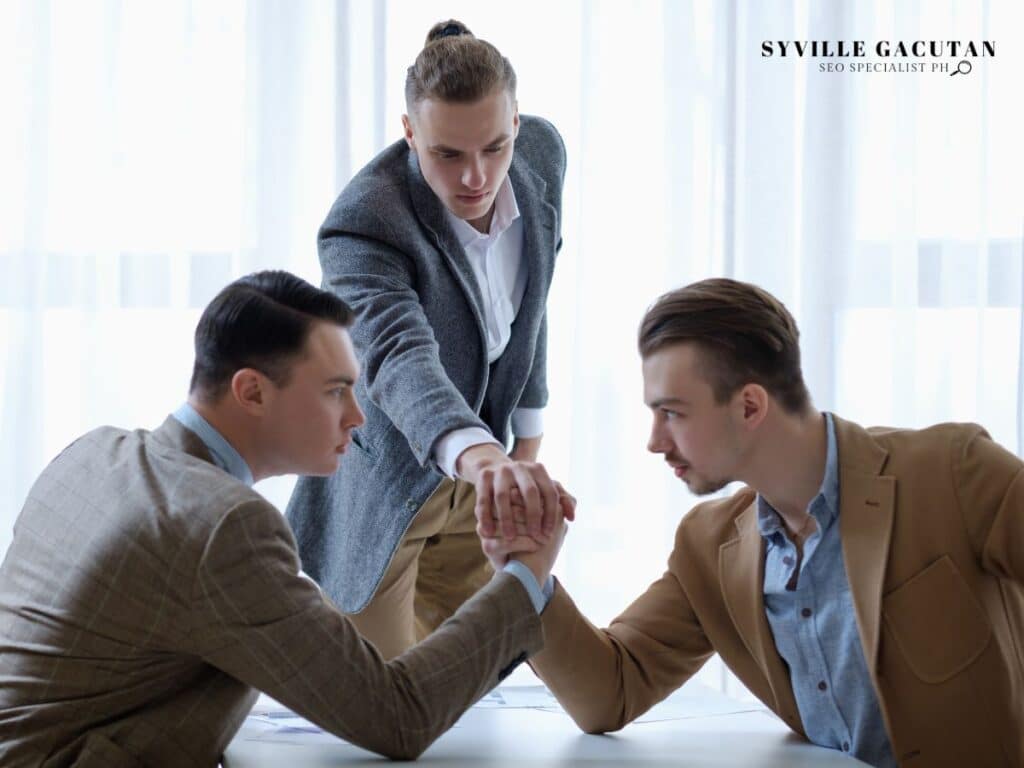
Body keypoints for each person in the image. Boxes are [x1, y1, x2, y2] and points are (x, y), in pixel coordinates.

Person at [0, 271, 568, 767]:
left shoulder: (92, 453)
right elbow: (397, 716)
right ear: (251, 391)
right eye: (336, 392)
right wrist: (524, 575)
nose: (358, 417)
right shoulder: (222, 525)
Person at [483, 278, 1024, 767]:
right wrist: (529, 575)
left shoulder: (953, 471)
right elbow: (611, 691)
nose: (654, 441)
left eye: (672, 412)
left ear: (749, 406)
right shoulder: (709, 544)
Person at [286, 19, 571, 659]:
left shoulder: (543, 156)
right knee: (375, 694)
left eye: (494, 147)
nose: (476, 177)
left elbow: (535, 298)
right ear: (410, 133)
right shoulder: (364, 222)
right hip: (387, 482)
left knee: (475, 674)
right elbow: (396, 355)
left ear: (517, 123)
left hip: (483, 477)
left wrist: (524, 444)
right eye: (448, 155)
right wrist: (482, 457)